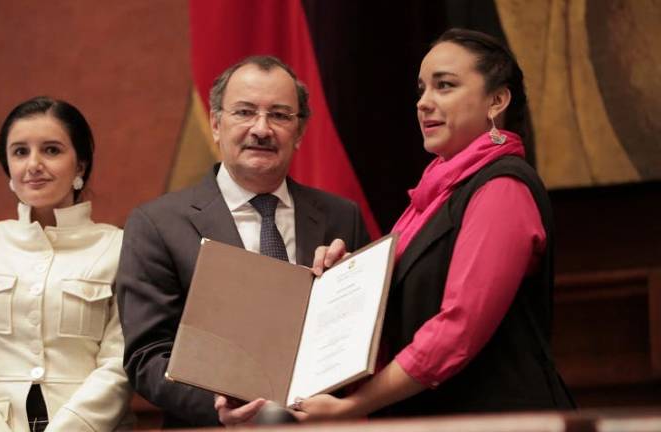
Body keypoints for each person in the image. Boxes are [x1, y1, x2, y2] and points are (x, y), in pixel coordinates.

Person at [261, 28, 575, 421]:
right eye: (422, 89)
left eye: (444, 86)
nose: (424, 103)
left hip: (499, 419)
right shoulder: (435, 193)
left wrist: (355, 406)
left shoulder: (502, 187)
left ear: (497, 100)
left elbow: (456, 330)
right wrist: (346, 276)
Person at [116, 55, 370, 428]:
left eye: (281, 115)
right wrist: (218, 404)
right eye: (245, 112)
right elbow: (148, 356)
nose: (262, 129)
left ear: (299, 133)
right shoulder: (157, 224)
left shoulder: (340, 217)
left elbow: (364, 335)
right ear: (216, 124)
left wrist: (349, 287)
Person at [0, 97, 133, 431]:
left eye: (51, 150)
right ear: (8, 166)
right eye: (20, 152)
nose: (34, 164)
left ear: (80, 165)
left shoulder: (119, 247)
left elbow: (120, 361)